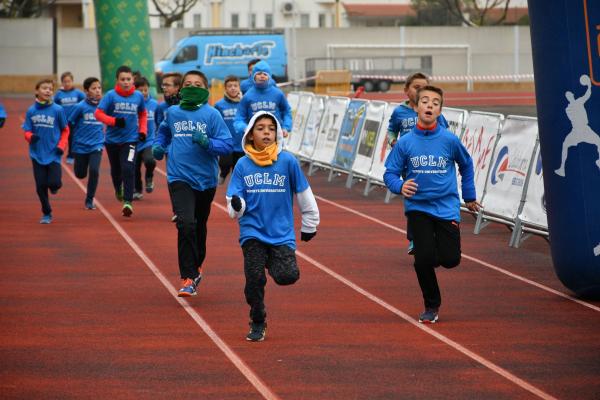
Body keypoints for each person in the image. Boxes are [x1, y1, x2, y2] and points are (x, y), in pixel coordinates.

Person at [383, 85, 481, 324]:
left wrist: (468, 196)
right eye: (424, 101)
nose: (429, 105)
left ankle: (434, 249)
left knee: (450, 260)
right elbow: (390, 173)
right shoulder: (405, 143)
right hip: (418, 208)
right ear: (415, 107)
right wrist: (400, 186)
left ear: (440, 111)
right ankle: (431, 305)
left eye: (435, 103)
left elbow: (466, 165)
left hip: (446, 206)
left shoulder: (449, 139)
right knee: (423, 259)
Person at [226, 111, 320, 342]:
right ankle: (258, 319)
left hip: (281, 233)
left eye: (271, 128)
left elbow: (303, 193)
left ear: (277, 133)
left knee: (288, 276)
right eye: (260, 128)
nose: (266, 132)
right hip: (252, 232)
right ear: (250, 135)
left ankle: (272, 259)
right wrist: (237, 206)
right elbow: (233, 202)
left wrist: (310, 223)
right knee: (255, 279)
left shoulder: (288, 161)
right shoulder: (242, 165)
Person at [153, 70, 232, 297]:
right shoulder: (173, 112)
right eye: (188, 83)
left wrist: (207, 143)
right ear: (181, 89)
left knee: (199, 226)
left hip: (205, 180)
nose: (192, 86)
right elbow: (164, 132)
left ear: (205, 89)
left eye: (197, 84)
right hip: (178, 177)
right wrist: (159, 146)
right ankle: (187, 277)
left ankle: (196, 267)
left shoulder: (212, 114)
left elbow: (226, 145)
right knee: (185, 224)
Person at [387, 72, 449, 255]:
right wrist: (393, 142)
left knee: (433, 197)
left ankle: (436, 233)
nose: (420, 90)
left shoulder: (434, 112)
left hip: (433, 163)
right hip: (410, 163)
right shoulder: (399, 112)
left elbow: (445, 133)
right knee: (414, 198)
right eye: (416, 87)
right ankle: (415, 239)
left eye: (424, 87)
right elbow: (391, 131)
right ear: (407, 91)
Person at [94, 65, 147, 217]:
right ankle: (118, 188)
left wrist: (143, 131)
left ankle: (128, 202)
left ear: (133, 80)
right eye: (122, 79)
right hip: (112, 141)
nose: (126, 82)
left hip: (130, 140)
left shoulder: (138, 96)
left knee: (128, 168)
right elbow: (98, 114)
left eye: (128, 79)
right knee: (116, 170)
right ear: (117, 80)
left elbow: (143, 114)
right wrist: (114, 122)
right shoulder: (110, 96)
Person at [22, 78, 69, 224]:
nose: (48, 91)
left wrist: (61, 146)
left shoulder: (58, 110)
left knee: (55, 183)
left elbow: (65, 130)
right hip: (37, 154)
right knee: (40, 186)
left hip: (54, 153)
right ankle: (47, 212)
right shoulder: (31, 111)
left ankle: (54, 187)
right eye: (44, 88)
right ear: (37, 91)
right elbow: (27, 130)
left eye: (50, 88)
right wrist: (30, 137)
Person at [68, 76, 105, 210]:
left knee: (94, 171)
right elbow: (70, 123)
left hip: (97, 144)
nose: (97, 91)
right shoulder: (80, 107)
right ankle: (79, 168)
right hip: (80, 146)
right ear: (86, 91)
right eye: (94, 88)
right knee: (80, 174)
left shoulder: (104, 105)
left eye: (99, 88)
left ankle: (89, 199)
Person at [234, 60, 292, 141]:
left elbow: (287, 111)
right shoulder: (247, 96)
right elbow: (239, 118)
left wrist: (286, 127)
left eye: (265, 74)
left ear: (269, 76)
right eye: (259, 74)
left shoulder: (278, 93)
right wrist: (245, 128)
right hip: (254, 139)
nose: (262, 76)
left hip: (275, 138)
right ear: (253, 76)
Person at [156, 72, 182, 222]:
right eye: (163, 85)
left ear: (178, 87)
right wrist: (159, 144)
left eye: (167, 85)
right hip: (170, 150)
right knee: (172, 179)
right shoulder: (161, 107)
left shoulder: (185, 105)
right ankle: (177, 210)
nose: (164, 87)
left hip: (186, 148)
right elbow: (160, 127)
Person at [214, 75, 243, 185]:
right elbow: (216, 123)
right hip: (226, 142)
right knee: (225, 163)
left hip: (241, 143)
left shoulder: (244, 103)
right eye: (229, 86)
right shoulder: (219, 105)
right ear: (225, 88)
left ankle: (234, 193)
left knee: (237, 170)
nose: (233, 88)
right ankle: (223, 173)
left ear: (239, 88)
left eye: (235, 85)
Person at [133, 76, 158, 199]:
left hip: (149, 140)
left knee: (150, 160)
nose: (143, 93)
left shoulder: (154, 104)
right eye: (140, 90)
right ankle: (137, 189)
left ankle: (149, 176)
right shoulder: (132, 104)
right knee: (134, 167)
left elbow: (159, 121)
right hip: (134, 140)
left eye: (145, 90)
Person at [54, 72, 85, 164]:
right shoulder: (59, 94)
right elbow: (54, 106)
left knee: (72, 139)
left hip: (73, 121)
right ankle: (56, 153)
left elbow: (85, 103)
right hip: (62, 121)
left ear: (72, 81)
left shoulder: (78, 93)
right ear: (62, 83)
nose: (67, 83)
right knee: (59, 138)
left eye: (69, 81)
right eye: (64, 82)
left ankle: (71, 155)